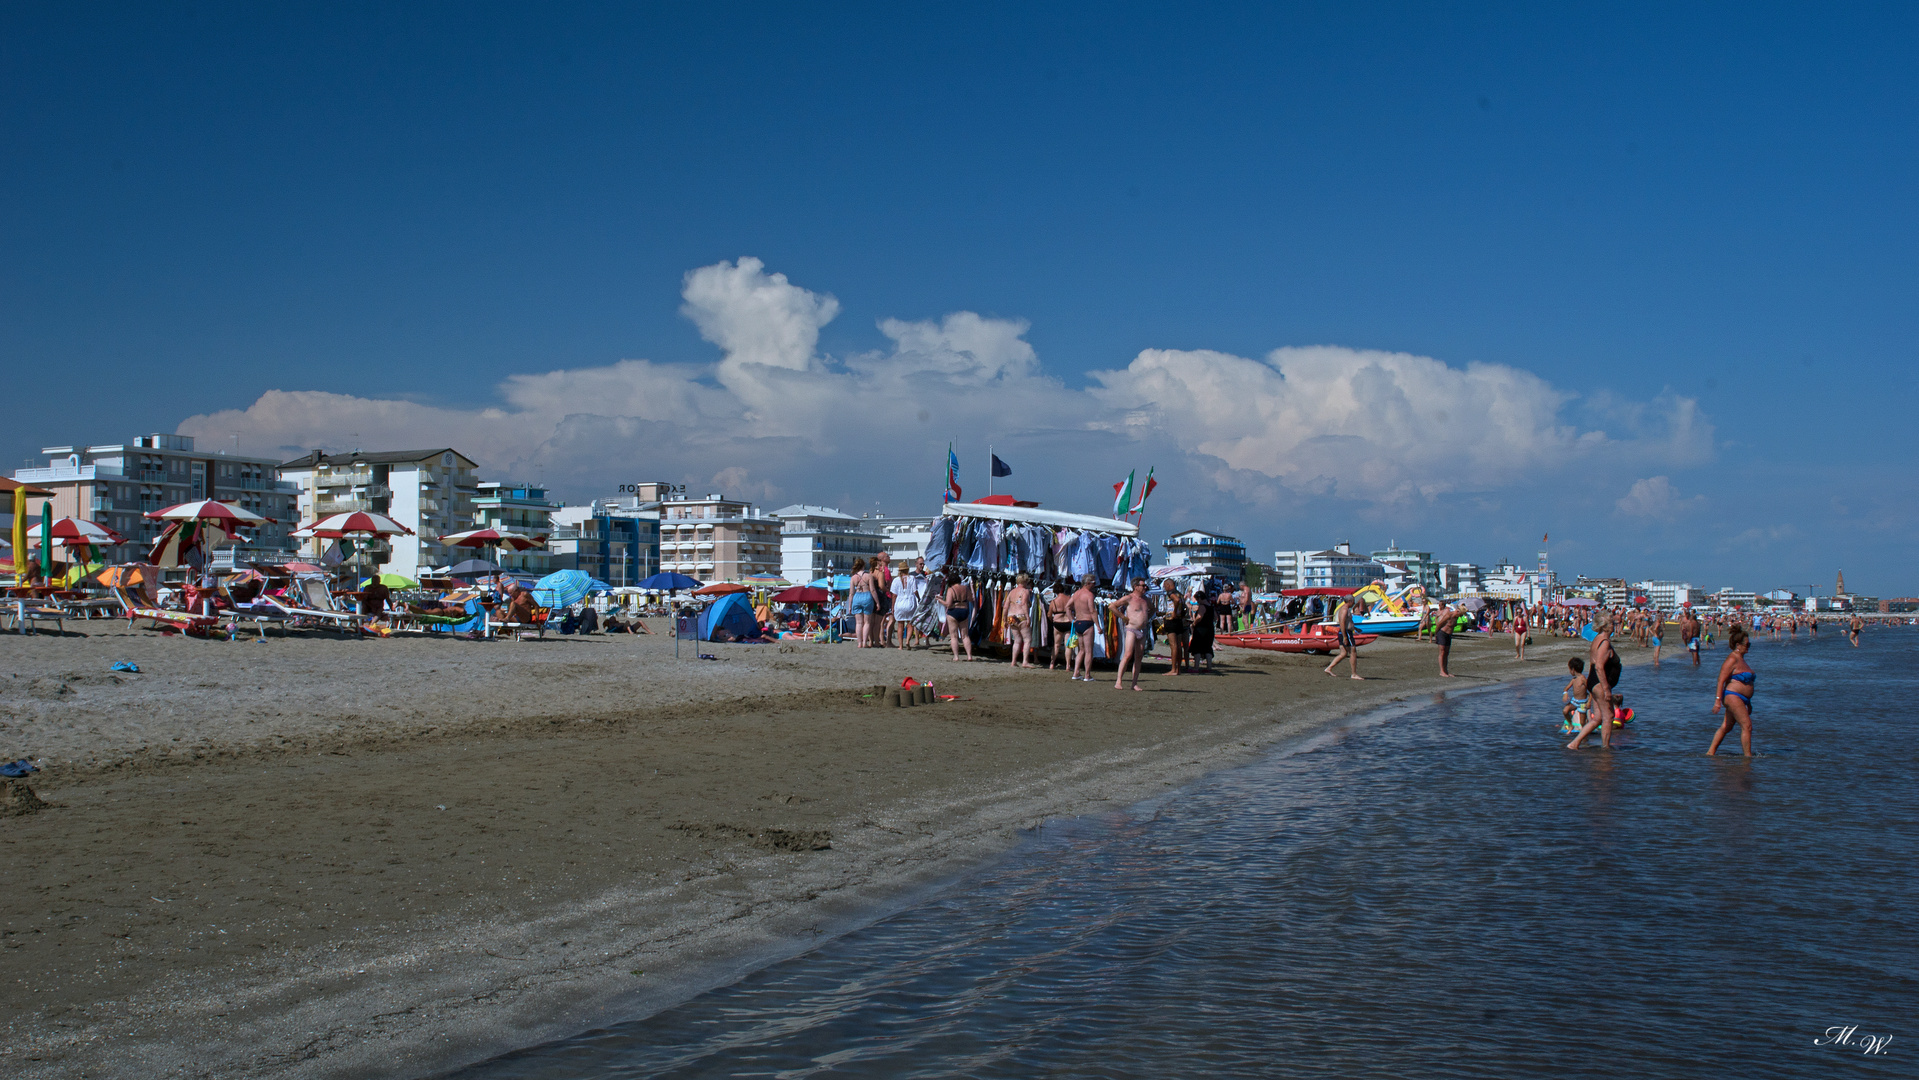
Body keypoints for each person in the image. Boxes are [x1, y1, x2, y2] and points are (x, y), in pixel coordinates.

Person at [1567, 614, 1622, 750]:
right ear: (1605, 626)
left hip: (1594, 681)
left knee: (1598, 718)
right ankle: (1606, 749)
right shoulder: (1604, 642)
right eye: (1611, 624)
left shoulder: (1597, 639)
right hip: (1599, 682)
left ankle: (1575, 743)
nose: (1613, 626)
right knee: (1608, 716)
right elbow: (1598, 666)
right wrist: (1606, 689)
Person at [1708, 625, 1757, 756]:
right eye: (1746, 644)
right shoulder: (1732, 659)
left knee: (1727, 727)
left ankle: (1710, 753)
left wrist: (1748, 702)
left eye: (1749, 644)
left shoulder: (1741, 659)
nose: (1748, 647)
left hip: (1741, 699)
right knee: (1747, 726)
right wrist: (1717, 701)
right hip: (1732, 696)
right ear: (1738, 645)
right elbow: (1721, 680)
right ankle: (1748, 758)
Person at [1113, 577, 1151, 690]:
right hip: (1131, 629)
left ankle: (1134, 683)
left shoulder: (1146, 599)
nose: (1145, 587)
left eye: (1145, 586)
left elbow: (1153, 609)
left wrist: (1147, 618)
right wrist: (1123, 617)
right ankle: (1118, 681)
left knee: (1139, 656)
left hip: (1143, 629)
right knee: (1128, 654)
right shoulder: (1129, 598)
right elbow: (1112, 606)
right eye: (1143, 586)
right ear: (1136, 587)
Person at [1322, 597, 1363, 679]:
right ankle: (1354, 674)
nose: (1354, 603)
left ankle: (1329, 668)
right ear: (1350, 601)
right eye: (1353, 602)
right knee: (1353, 652)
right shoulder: (1344, 610)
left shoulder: (1346, 609)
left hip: (1347, 632)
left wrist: (1355, 628)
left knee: (1343, 653)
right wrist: (1345, 637)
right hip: (1346, 633)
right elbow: (1342, 623)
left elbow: (1348, 622)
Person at [1068, 574, 1098, 681]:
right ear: (1088, 583)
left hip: (1078, 622)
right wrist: (1098, 626)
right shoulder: (1089, 595)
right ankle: (1087, 675)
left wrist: (1072, 620)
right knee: (1089, 651)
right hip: (1087, 622)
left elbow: (1067, 607)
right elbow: (1092, 611)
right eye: (1093, 583)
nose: (1094, 585)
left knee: (1081, 650)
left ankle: (1076, 673)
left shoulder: (1076, 594)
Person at [1006, 572, 1036, 668]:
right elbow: (1023, 604)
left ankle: (1013, 661)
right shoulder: (1025, 591)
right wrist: (1028, 617)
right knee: (1027, 639)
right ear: (1026, 581)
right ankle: (1025, 661)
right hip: (1021, 615)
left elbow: (1005, 606)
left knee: (1017, 640)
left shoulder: (1011, 592)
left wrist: (1004, 619)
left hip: (1011, 616)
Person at [944, 572, 975, 662]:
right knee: (965, 636)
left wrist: (940, 601)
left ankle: (956, 656)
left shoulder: (951, 589)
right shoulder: (965, 588)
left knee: (954, 636)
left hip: (953, 612)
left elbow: (949, 605)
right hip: (964, 611)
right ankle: (969, 656)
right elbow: (971, 599)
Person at [848, 558, 877, 648]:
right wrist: (877, 602)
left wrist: (849, 606)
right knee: (867, 622)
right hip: (866, 596)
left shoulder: (853, 578)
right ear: (864, 565)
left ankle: (859, 643)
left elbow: (851, 593)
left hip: (857, 597)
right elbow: (872, 590)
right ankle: (865, 642)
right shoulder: (868, 576)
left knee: (859, 623)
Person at [1164, 584, 1189, 675]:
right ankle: (1178, 669)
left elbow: (1176, 600)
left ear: (1169, 585)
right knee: (1178, 646)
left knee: (1173, 645)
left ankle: (1173, 669)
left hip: (1172, 620)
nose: (1164, 587)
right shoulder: (1180, 594)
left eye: (1165, 586)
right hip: (1179, 620)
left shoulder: (1171, 593)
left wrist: (1174, 612)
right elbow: (1183, 605)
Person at [1560, 658, 1589, 734]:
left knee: (1582, 723)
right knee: (1565, 711)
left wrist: (1589, 702)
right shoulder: (1574, 680)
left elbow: (1590, 690)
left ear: (1573, 669)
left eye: (1570, 670)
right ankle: (1571, 725)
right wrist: (1565, 694)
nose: (1570, 672)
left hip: (1582, 703)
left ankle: (1584, 736)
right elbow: (1566, 688)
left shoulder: (1583, 679)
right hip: (1574, 701)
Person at [1047, 586, 1072, 670]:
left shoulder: (1054, 602)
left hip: (1058, 623)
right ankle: (1068, 665)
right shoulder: (1069, 598)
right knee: (1067, 645)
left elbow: (1049, 614)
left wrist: (1052, 620)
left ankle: (1052, 663)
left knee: (1056, 645)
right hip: (1068, 622)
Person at [1433, 600, 1457, 677]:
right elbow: (1439, 624)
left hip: (1448, 635)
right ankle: (1442, 671)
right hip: (1442, 633)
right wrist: (1435, 635)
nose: (1440, 606)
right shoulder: (1447, 614)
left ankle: (1446, 671)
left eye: (1441, 605)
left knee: (1446, 653)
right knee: (1442, 652)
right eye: (1439, 605)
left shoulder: (1453, 615)